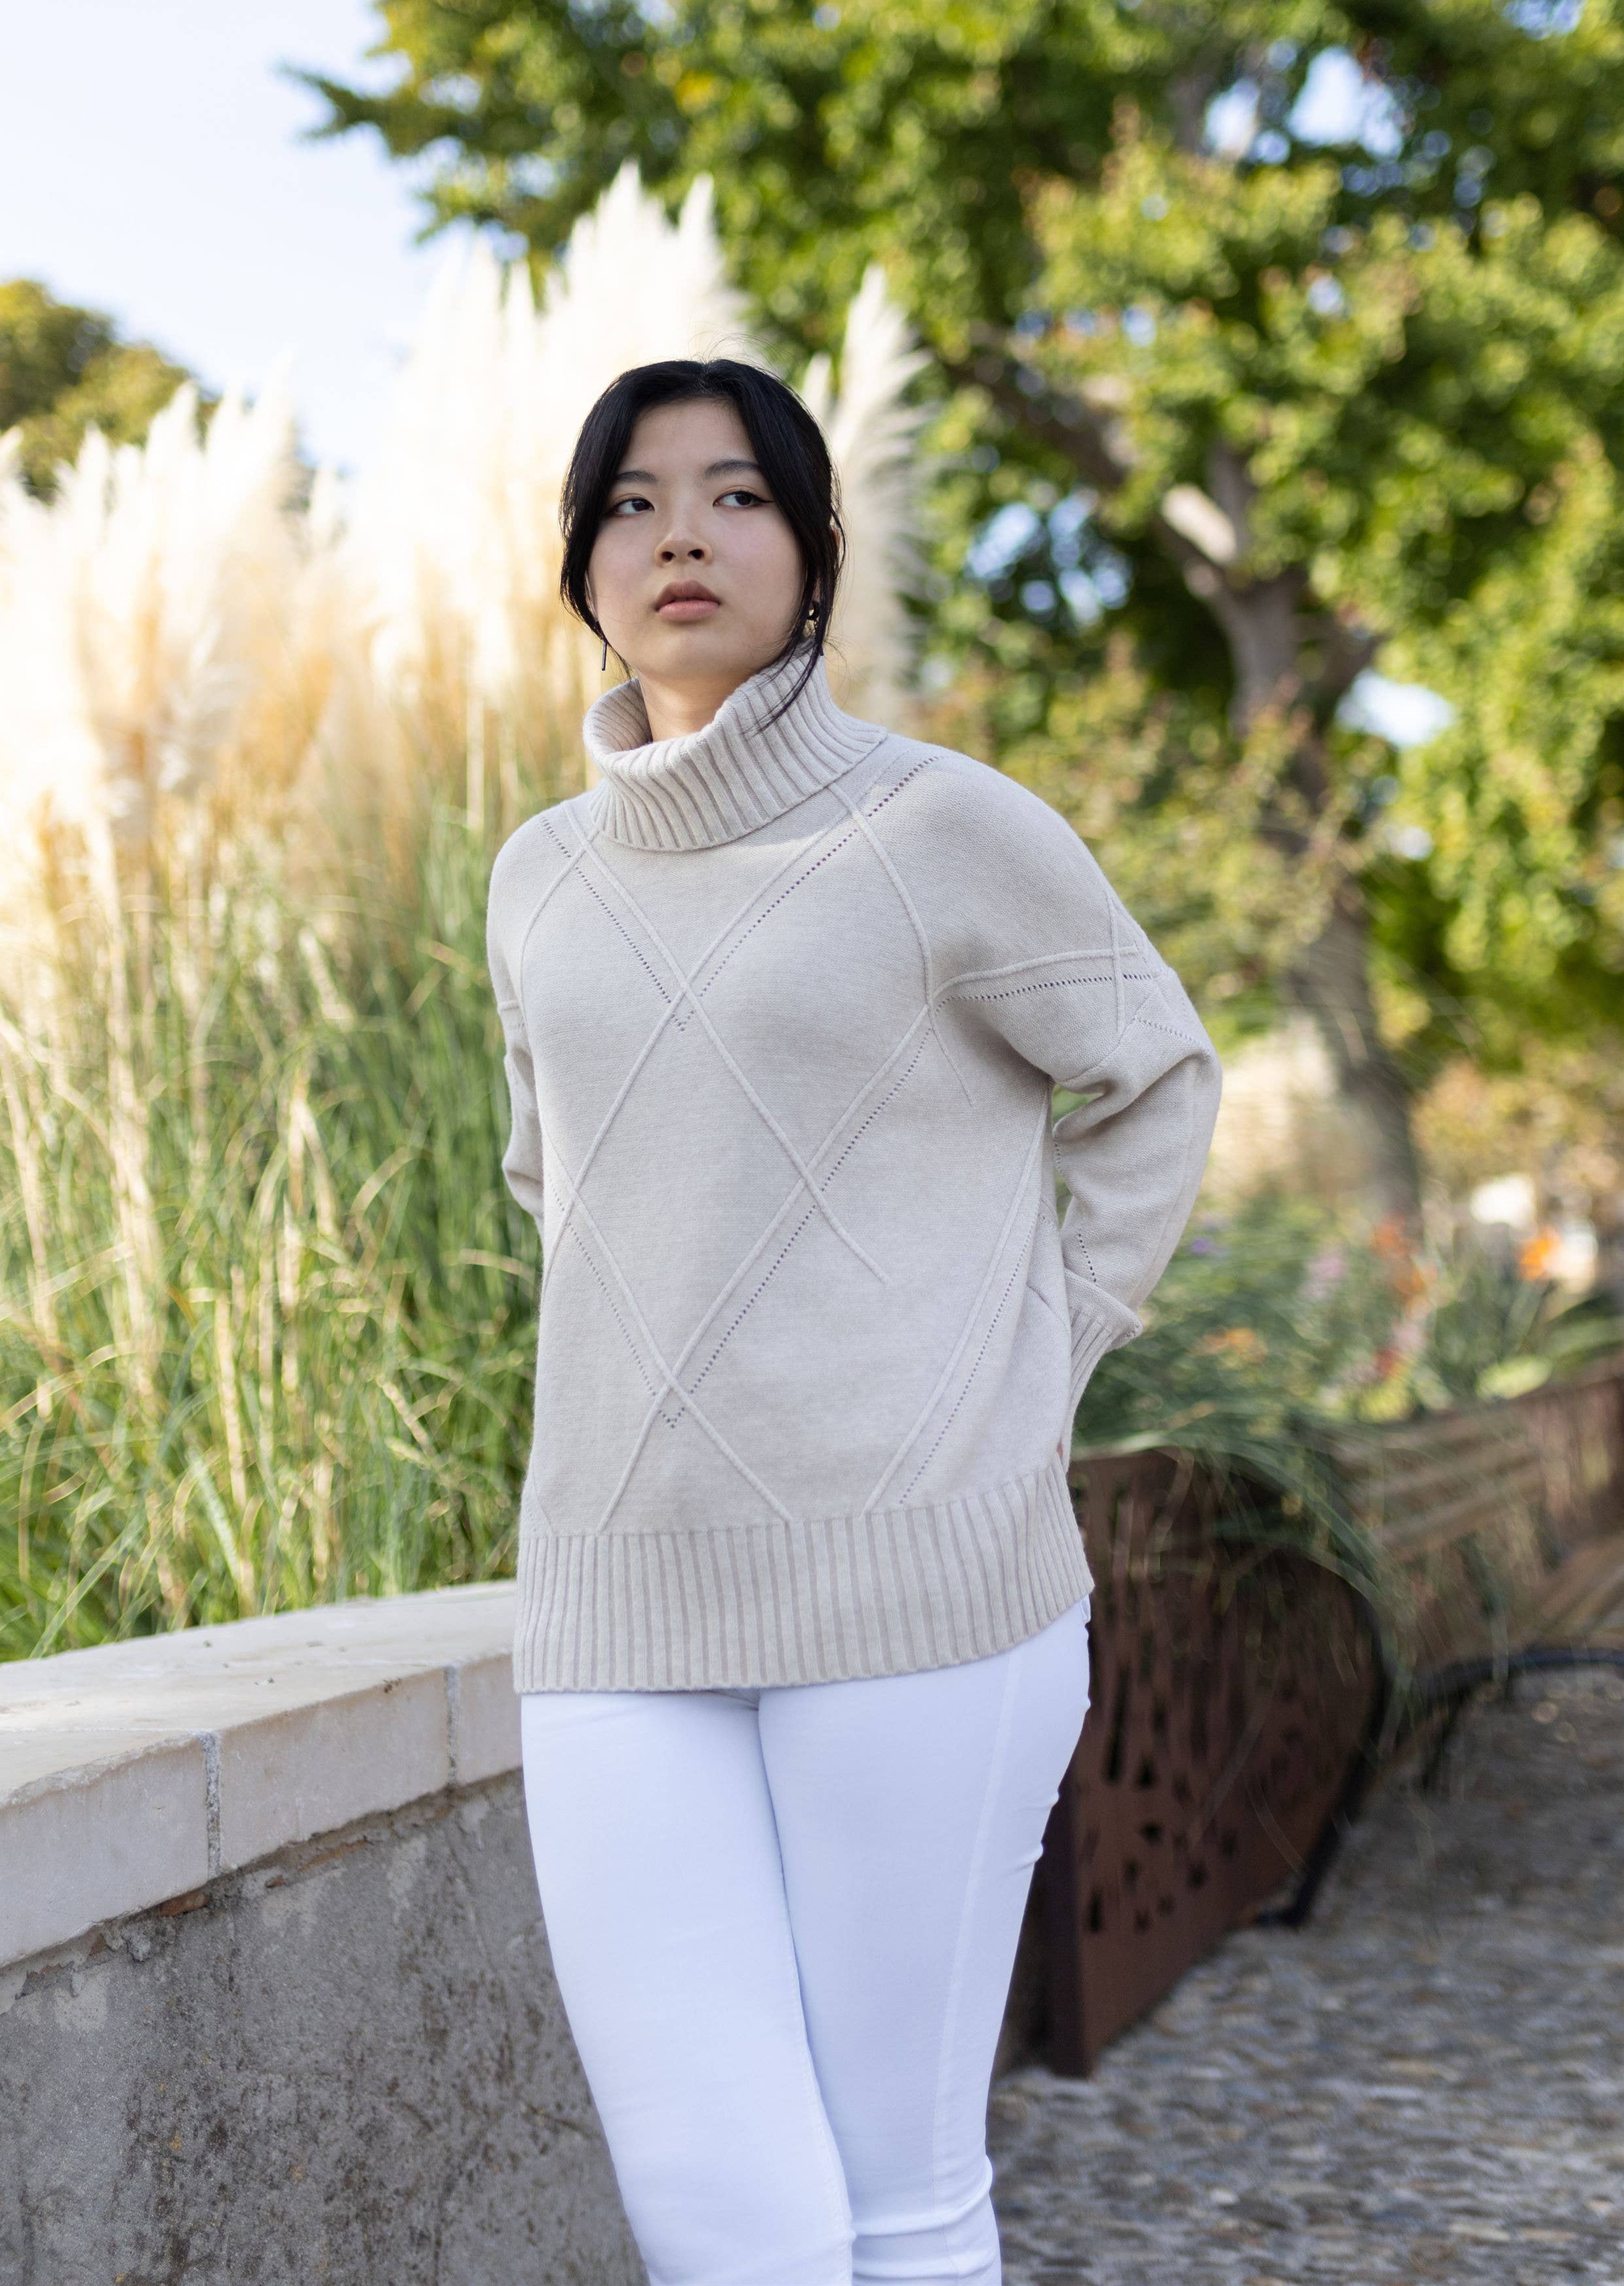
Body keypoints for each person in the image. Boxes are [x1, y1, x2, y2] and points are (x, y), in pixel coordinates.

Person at [485, 357, 1221, 2286]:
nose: (682, 536)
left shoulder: (941, 824)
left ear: (816, 549)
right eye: (633, 502)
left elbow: (1157, 1076)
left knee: (898, 2190)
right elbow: (558, 1181)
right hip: (616, 1597)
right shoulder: (537, 877)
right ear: (582, 566)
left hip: (923, 1595)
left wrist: (1040, 1349)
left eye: (737, 495)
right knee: (711, 2196)